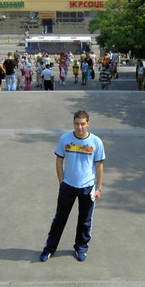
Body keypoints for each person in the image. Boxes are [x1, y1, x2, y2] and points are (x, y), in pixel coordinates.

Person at [39, 110, 105, 263]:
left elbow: (99, 165)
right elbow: (59, 160)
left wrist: (99, 188)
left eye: (82, 124)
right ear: (73, 123)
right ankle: (49, 249)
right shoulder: (65, 139)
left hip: (87, 187)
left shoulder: (96, 142)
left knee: (85, 220)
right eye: (76, 124)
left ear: (88, 124)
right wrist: (61, 182)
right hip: (68, 186)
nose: (79, 127)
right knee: (59, 219)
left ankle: (81, 248)